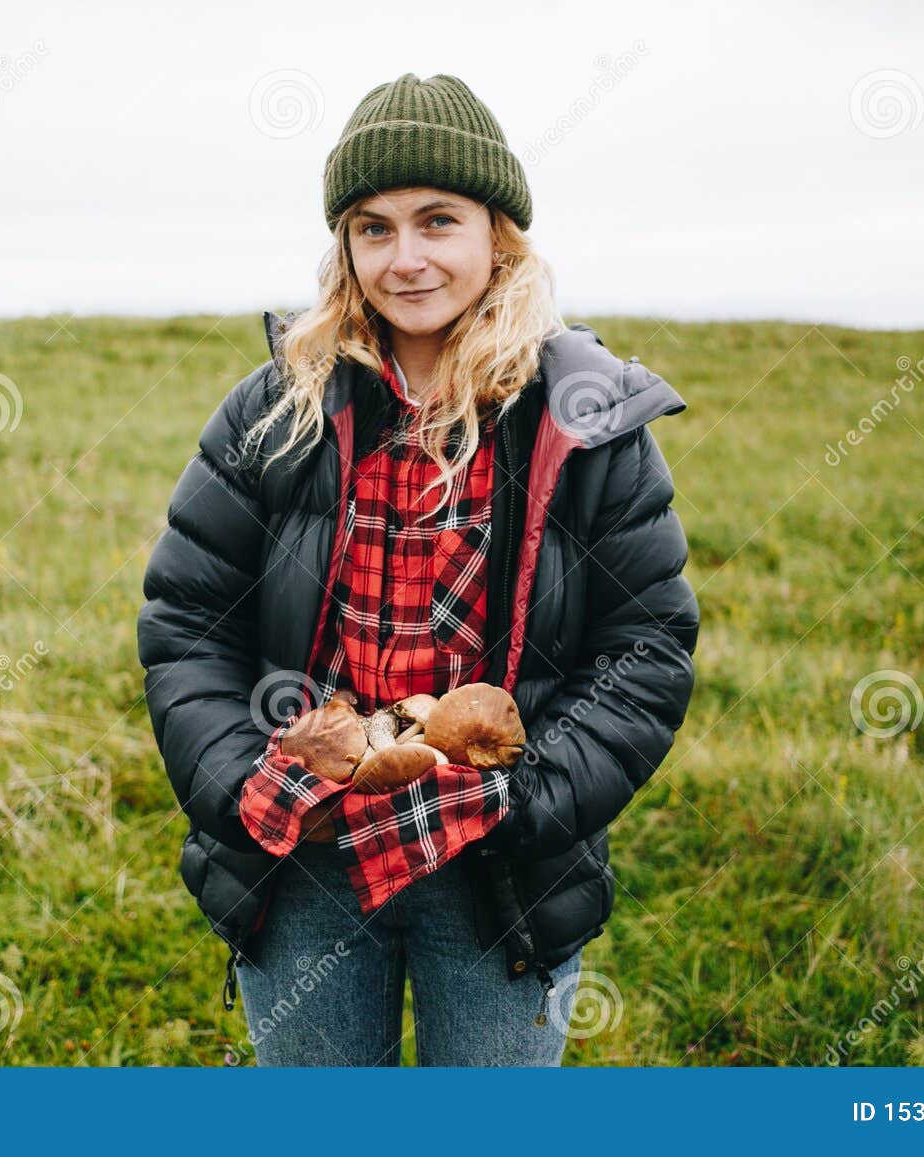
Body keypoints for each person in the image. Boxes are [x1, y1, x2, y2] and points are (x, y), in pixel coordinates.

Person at [137, 72, 698, 1065]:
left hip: (498, 867)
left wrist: (526, 799)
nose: (405, 259)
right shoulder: (274, 409)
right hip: (304, 856)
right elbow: (187, 621)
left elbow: (646, 646)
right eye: (373, 227)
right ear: (344, 248)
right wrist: (239, 786)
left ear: (498, 234)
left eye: (437, 221)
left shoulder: (587, 420)